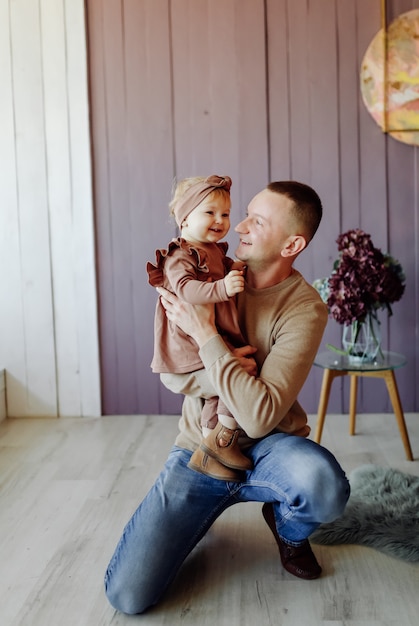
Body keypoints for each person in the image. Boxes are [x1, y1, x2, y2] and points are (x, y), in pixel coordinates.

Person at [104, 180, 350, 615]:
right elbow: (172, 377)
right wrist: (236, 375)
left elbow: (260, 417)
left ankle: (288, 529)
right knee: (128, 596)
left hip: (271, 446)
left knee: (324, 485)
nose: (237, 226)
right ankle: (195, 517)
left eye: (257, 220)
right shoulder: (199, 275)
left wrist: (205, 334)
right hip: (200, 449)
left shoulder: (304, 307)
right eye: (245, 214)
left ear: (293, 243)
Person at [146, 174, 255, 479]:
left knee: (219, 392)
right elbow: (187, 290)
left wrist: (236, 268)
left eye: (225, 214)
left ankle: (216, 447)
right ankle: (219, 444)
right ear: (184, 218)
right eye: (209, 212)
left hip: (203, 348)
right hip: (185, 356)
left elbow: (221, 272)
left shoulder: (215, 251)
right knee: (236, 379)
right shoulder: (180, 255)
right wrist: (223, 287)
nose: (220, 220)